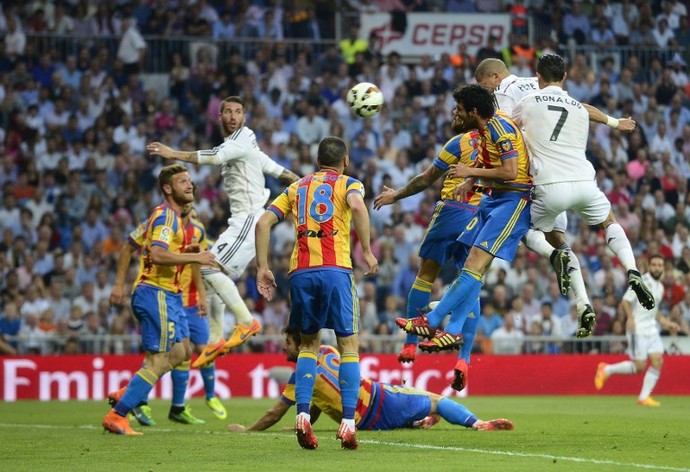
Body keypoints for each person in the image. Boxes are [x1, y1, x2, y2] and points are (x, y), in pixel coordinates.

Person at [146, 96, 299, 367]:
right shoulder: (247, 145)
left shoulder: (240, 140)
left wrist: (173, 154)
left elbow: (215, 157)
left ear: (244, 117)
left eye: (238, 112)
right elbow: (278, 170)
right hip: (241, 222)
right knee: (207, 276)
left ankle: (245, 321)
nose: (232, 116)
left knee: (205, 267)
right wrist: (304, 184)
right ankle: (216, 338)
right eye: (227, 111)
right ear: (220, 116)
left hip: (249, 220)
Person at [397, 84, 531, 392]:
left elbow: (510, 172)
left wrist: (467, 170)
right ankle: (459, 344)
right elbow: (495, 166)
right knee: (473, 270)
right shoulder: (485, 131)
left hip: (508, 201)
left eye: (458, 108)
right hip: (490, 200)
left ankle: (430, 327)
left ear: (473, 111)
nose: (454, 113)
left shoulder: (487, 132)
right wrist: (472, 178)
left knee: (444, 272)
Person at [511, 54, 655, 339]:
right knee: (609, 221)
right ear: (565, 77)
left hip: (549, 186)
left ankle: (569, 278)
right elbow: (588, 109)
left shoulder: (526, 103)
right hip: (585, 182)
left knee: (527, 231)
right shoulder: (578, 106)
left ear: (537, 77)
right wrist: (615, 123)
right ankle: (633, 270)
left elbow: (504, 125)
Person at [474, 57, 636, 298]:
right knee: (605, 221)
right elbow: (581, 107)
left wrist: (483, 172)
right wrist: (615, 122)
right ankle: (624, 275)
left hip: (540, 176)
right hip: (577, 175)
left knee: (519, 231)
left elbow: (505, 133)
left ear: (495, 77)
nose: (483, 89)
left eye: (483, 83)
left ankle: (471, 291)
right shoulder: (536, 84)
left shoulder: (505, 93)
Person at [254, 136, 378, 450]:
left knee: (309, 345)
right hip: (336, 269)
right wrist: (366, 249)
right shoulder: (349, 183)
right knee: (348, 345)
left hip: (301, 273)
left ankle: (302, 417)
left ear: (317, 161)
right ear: (345, 161)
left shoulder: (296, 188)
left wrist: (263, 267)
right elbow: (358, 206)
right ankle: (348, 425)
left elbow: (263, 222)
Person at [102, 164, 216, 435]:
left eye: (190, 181)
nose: (190, 185)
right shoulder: (166, 217)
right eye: (182, 182)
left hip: (168, 296)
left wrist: (186, 249)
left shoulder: (164, 217)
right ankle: (119, 414)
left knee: (181, 352)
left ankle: (127, 392)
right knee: (160, 358)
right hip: (157, 292)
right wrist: (195, 257)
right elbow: (159, 255)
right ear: (168, 188)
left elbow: (130, 246)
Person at [227, 327, 514, 433]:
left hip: (370, 414)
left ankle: (418, 421)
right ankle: (477, 423)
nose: (283, 348)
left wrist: (248, 430)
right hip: (376, 401)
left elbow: (278, 411)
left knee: (428, 405)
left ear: (298, 342)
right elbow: (290, 407)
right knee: (437, 401)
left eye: (287, 343)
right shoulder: (327, 351)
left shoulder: (299, 378)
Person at [374, 124, 482, 366]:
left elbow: (426, 178)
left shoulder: (460, 142)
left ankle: (411, 345)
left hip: (453, 210)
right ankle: (463, 359)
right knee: (471, 281)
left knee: (425, 275)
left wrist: (396, 195)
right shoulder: (503, 142)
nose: (456, 114)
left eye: (460, 110)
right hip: (482, 216)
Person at [595, 255, 679, 406]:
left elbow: (655, 312)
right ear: (649, 265)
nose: (657, 268)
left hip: (652, 329)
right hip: (637, 329)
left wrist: (668, 323)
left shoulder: (660, 287)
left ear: (663, 268)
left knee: (657, 361)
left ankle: (643, 397)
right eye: (654, 265)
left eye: (660, 265)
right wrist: (630, 318)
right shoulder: (641, 282)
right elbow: (626, 301)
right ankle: (606, 369)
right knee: (639, 366)